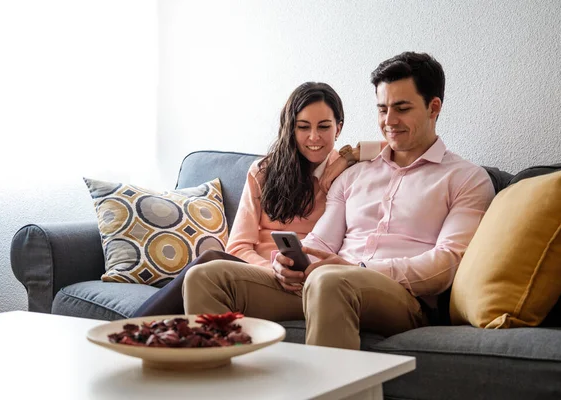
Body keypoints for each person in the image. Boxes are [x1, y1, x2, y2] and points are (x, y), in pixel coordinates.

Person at [182, 52, 496, 349]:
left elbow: (447, 264)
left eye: (402, 108)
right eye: (382, 109)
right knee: (207, 277)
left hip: (402, 298)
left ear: (434, 107)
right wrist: (287, 263)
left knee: (331, 281)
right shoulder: (354, 174)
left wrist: (359, 268)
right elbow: (320, 242)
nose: (389, 121)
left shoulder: (466, 178)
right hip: (327, 284)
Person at [132, 82, 381, 317]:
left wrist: (350, 157)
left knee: (209, 263)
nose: (314, 137)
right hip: (258, 272)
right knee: (209, 263)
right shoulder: (264, 171)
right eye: (303, 127)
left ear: (339, 127)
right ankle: (137, 332)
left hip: (307, 279)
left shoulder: (350, 175)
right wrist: (271, 268)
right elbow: (238, 247)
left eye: (324, 127)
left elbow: (400, 144)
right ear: (290, 128)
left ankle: (131, 330)